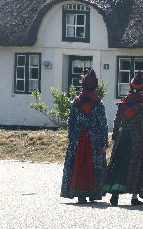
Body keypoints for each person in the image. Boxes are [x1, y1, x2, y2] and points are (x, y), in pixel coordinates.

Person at [60, 69, 108, 203]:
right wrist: (105, 142)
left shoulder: (76, 102)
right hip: (94, 138)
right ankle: (93, 193)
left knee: (78, 164)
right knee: (94, 165)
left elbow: (71, 122)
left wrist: (71, 137)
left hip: (78, 137)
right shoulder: (98, 103)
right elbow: (103, 124)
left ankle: (80, 194)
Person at [102, 71, 143, 206]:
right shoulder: (142, 107)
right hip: (136, 139)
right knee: (136, 166)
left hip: (122, 138)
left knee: (119, 165)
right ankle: (134, 197)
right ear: (142, 90)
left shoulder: (122, 104)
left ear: (130, 87)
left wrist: (115, 136)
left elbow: (116, 122)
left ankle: (115, 195)